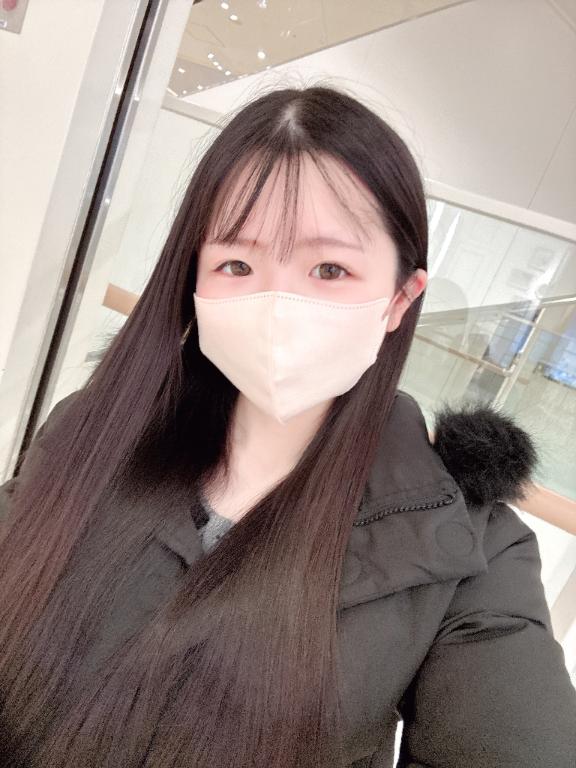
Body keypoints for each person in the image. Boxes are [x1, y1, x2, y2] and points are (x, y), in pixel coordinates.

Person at [0, 85, 574, 768]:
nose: (278, 305)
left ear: (400, 298)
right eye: (237, 265)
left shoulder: (468, 548)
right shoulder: (90, 434)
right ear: (194, 280)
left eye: (329, 269)